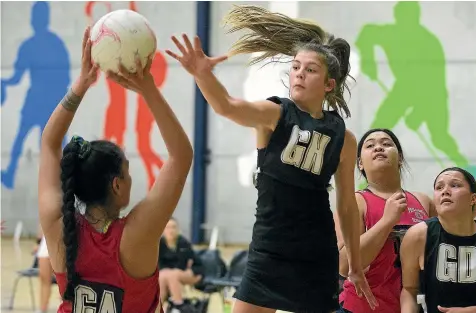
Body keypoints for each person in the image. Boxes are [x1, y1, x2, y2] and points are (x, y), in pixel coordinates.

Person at [166, 5, 375, 313]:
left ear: (329, 84)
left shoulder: (343, 138)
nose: (300, 73)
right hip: (270, 248)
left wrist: (355, 266)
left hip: (316, 252)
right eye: (295, 67)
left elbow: (345, 206)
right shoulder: (275, 113)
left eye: (310, 69)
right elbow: (226, 106)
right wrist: (202, 74)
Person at [37, 27, 193, 313]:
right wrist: (148, 88)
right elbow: (181, 156)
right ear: (117, 185)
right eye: (128, 173)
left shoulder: (59, 227)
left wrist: (81, 85)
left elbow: (49, 144)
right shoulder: (135, 235)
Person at [335, 128, 476, 313]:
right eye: (370, 145)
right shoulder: (355, 202)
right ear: (360, 163)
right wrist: (386, 222)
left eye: (386, 144)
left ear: (399, 157)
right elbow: (344, 265)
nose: (378, 148)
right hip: (360, 308)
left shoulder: (422, 201)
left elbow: (459, 218)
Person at [400, 167, 476, 313]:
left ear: (473, 198)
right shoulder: (418, 235)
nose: (445, 191)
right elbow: (409, 290)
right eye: (439, 187)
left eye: (455, 185)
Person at [159, 218, 204, 308]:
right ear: (163, 230)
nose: (171, 230)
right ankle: (158, 307)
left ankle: (178, 306)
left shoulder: (184, 243)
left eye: (173, 227)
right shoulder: (160, 244)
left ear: (178, 229)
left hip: (193, 272)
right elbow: (159, 264)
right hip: (167, 275)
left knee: (172, 275)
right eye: (168, 227)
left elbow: (182, 266)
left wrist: (168, 271)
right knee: (162, 276)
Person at [35, 227, 54, 313]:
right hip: (45, 243)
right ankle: (43, 309)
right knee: (44, 279)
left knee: (65, 280)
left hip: (61, 240)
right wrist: (38, 243)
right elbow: (42, 225)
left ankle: (66, 306)